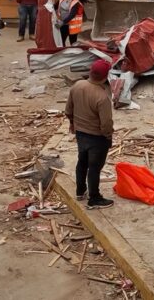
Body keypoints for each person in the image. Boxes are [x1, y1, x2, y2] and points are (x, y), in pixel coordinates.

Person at [65, 60, 115, 209]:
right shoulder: (102, 97)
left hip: (81, 133)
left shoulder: (77, 86)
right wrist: (108, 136)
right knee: (94, 167)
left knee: (82, 162)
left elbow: (68, 110)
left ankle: (80, 191)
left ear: (91, 72)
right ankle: (94, 198)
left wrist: (72, 123)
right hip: (97, 137)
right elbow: (106, 123)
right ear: (105, 76)